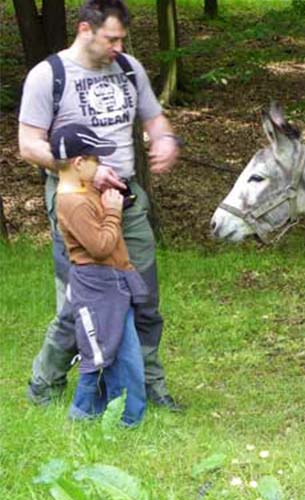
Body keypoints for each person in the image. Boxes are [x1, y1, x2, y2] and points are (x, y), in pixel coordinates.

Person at [18, 0, 182, 410]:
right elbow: (27, 145)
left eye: (122, 38)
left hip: (126, 200)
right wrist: (85, 173)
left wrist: (164, 139)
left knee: (143, 298)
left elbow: (154, 119)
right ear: (84, 30)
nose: (118, 46)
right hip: (76, 200)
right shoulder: (49, 76)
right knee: (81, 304)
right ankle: (46, 382)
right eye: (111, 38)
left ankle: (146, 385)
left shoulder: (129, 68)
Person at [51, 124, 148, 426]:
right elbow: (101, 247)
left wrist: (110, 195)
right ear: (79, 163)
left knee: (124, 352)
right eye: (96, 160)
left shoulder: (82, 190)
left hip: (113, 283)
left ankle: (123, 415)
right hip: (98, 287)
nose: (101, 166)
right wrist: (113, 212)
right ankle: (84, 416)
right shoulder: (72, 201)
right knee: (101, 354)